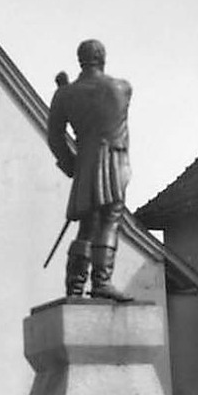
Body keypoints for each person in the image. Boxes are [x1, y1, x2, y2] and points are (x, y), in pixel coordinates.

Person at [46, 39, 133, 300]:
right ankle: (101, 281)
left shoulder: (65, 94)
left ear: (80, 59)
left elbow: (55, 137)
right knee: (109, 219)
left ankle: (75, 285)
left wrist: (70, 164)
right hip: (115, 161)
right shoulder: (122, 87)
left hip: (85, 161)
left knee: (87, 224)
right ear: (103, 58)